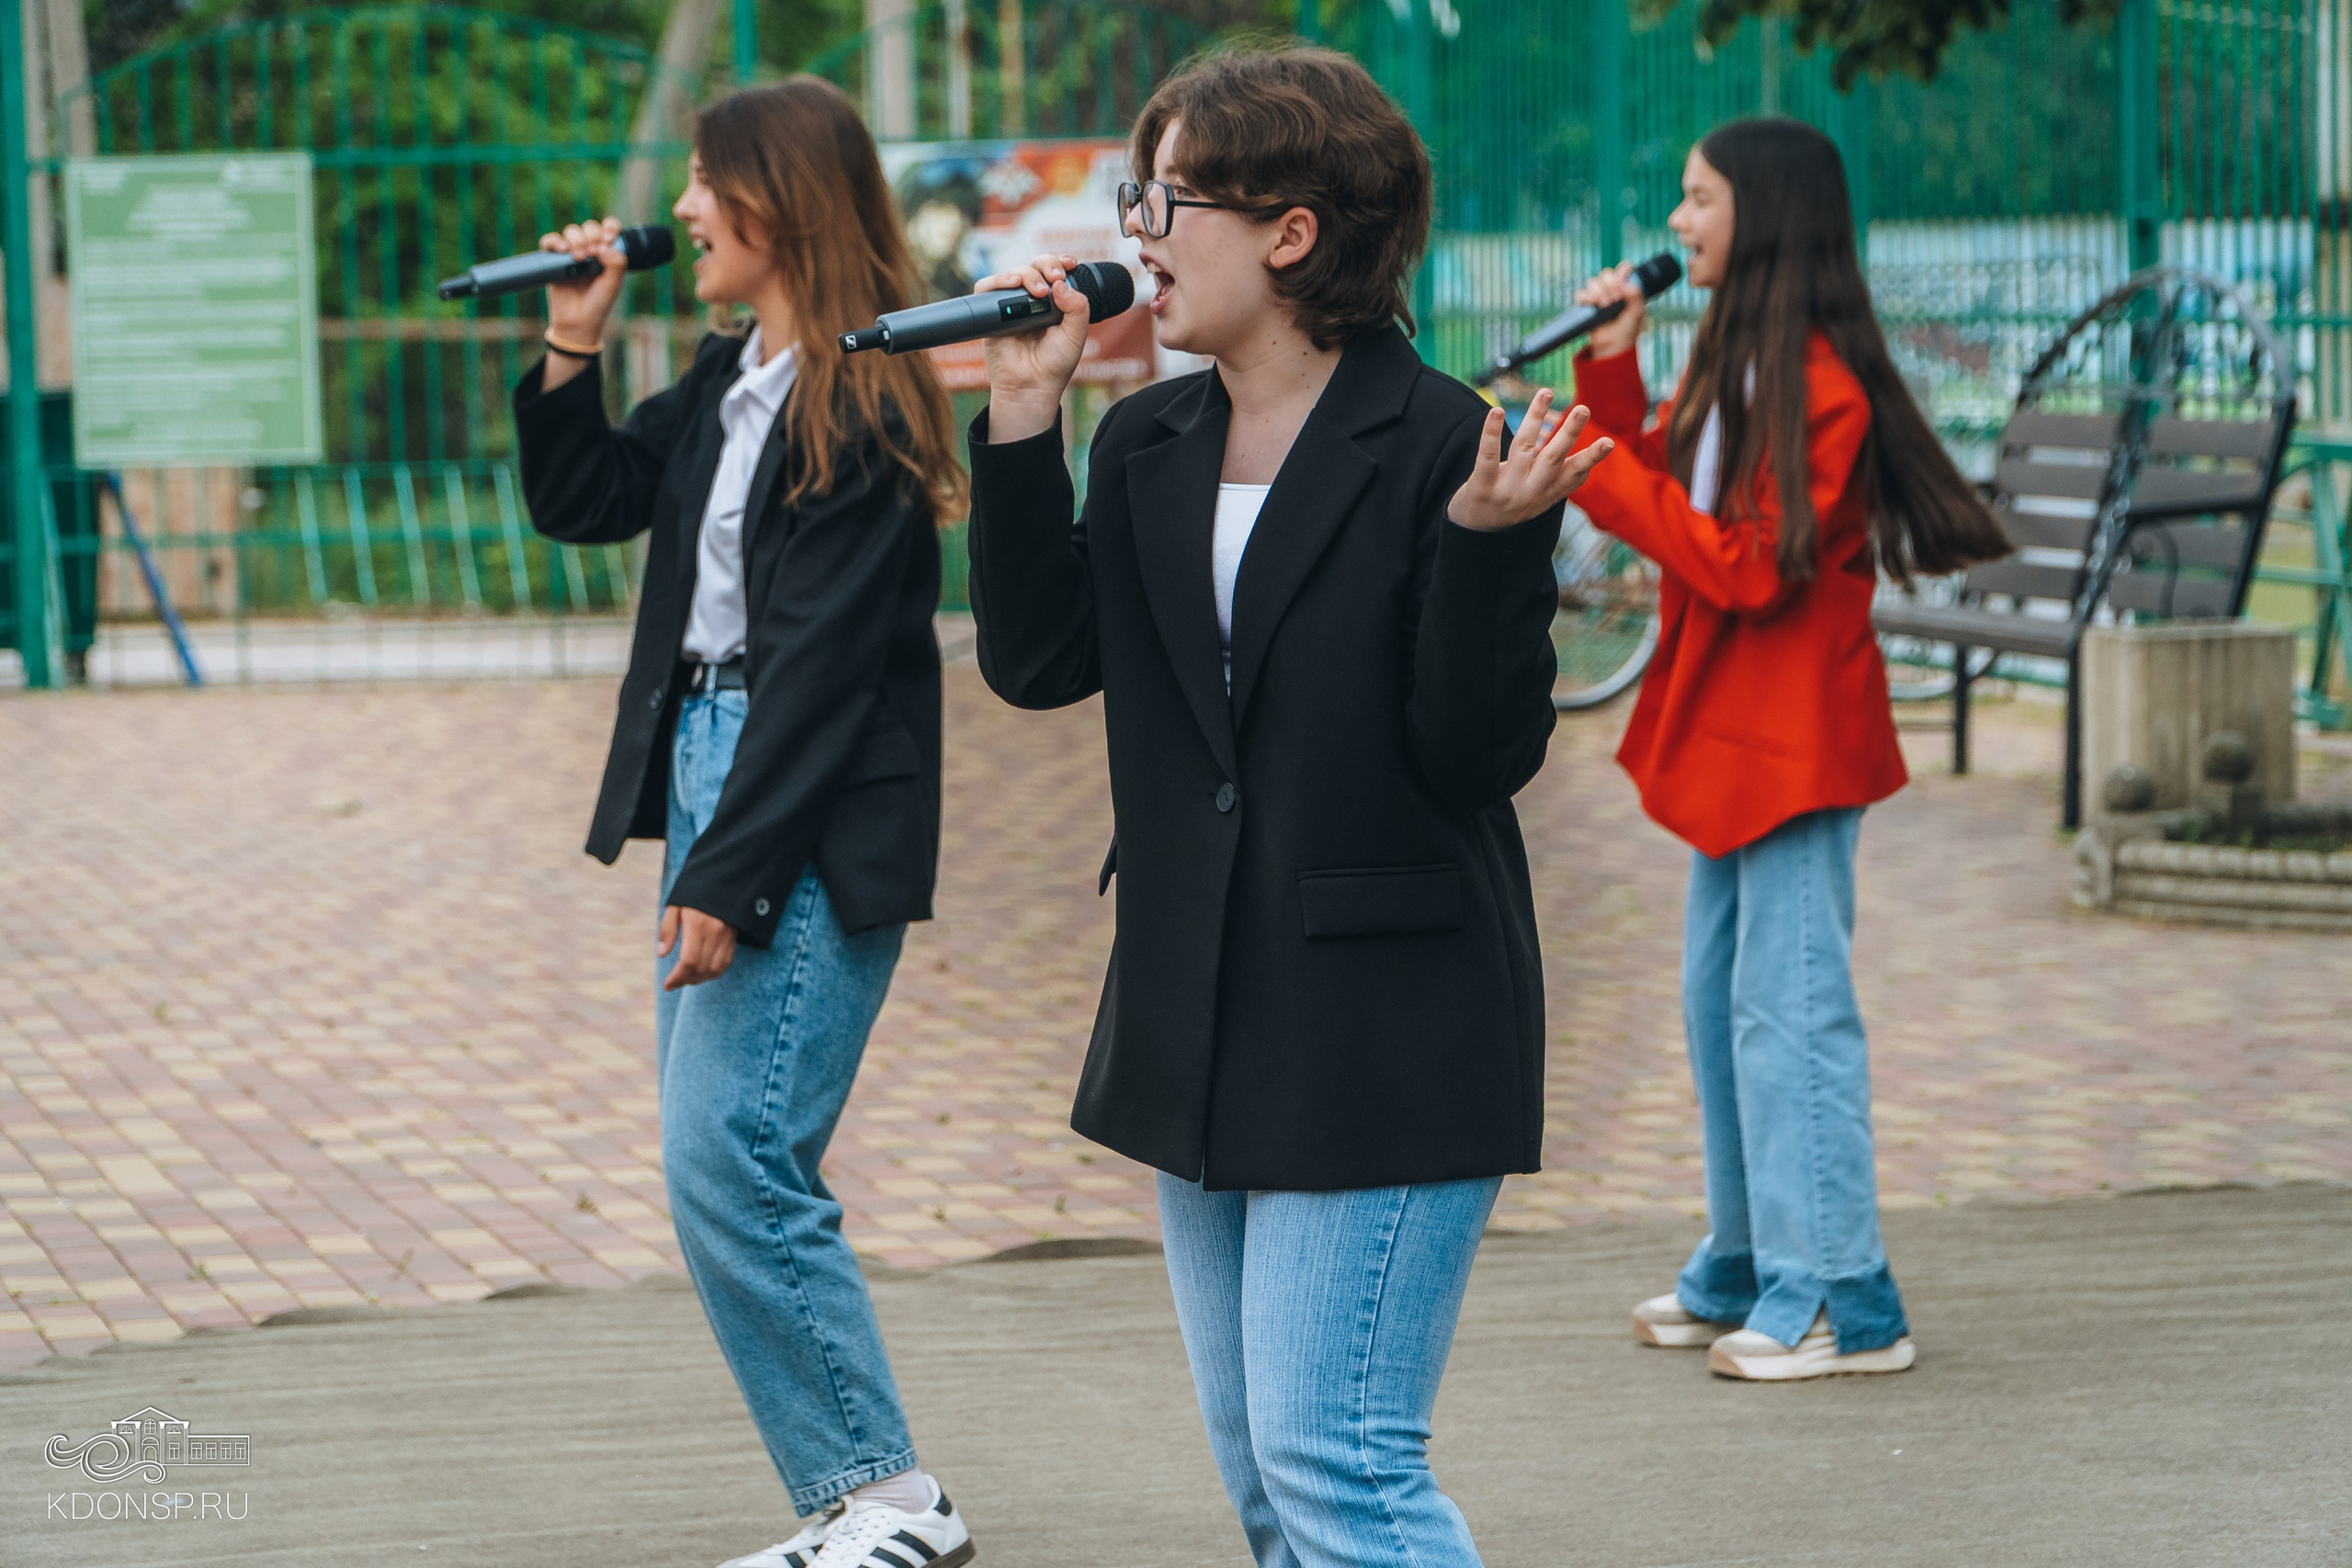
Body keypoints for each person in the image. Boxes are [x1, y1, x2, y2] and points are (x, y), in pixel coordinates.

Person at [965, 44, 1611, 1568]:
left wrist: (1490, 550)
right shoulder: (1147, 440)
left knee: (1344, 1468)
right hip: (1198, 1009)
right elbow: (1041, 661)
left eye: (1167, 198)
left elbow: (1475, 757)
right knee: (1267, 1477)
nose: (1135, 233)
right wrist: (1016, 424)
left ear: (1293, 231)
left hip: (1386, 1017)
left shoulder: (1448, 441)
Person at [510, 79, 978, 1568]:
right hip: (725, 760)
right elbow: (588, 497)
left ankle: (890, 1501)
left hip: (808, 795)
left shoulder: (866, 390)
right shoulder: (736, 377)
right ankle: (861, 1498)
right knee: (722, 1154)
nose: (686, 211)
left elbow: (829, 668)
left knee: (736, 1153)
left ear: (776, 199)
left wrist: (732, 870)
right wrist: (570, 338)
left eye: (709, 184)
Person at [1566, 117, 2010, 1382]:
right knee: (1725, 1009)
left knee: (1794, 1016)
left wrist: (1598, 468)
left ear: (1760, 213)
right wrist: (1613, 381)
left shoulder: (1820, 387)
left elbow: (1752, 567)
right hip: (1730, 731)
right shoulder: (1737, 360)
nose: (1675, 222)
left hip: (1797, 743)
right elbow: (1675, 492)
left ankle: (1842, 1300)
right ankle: (1755, 1262)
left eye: (1696, 199)